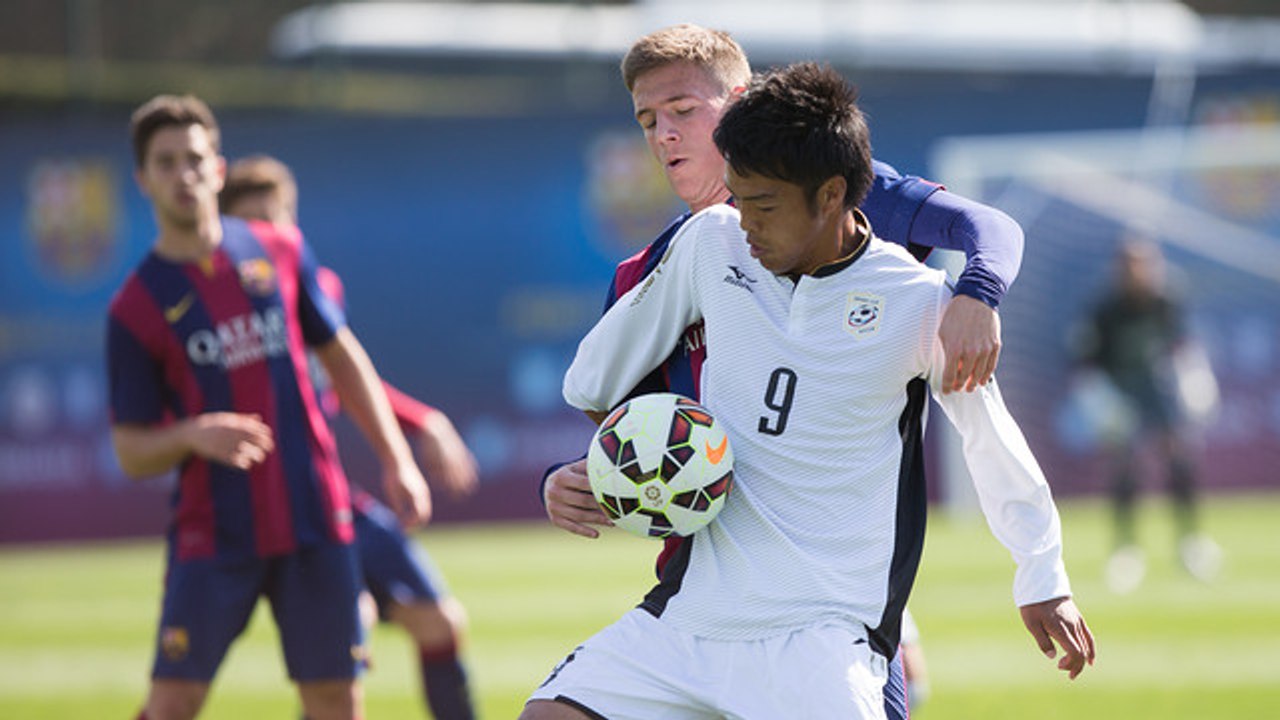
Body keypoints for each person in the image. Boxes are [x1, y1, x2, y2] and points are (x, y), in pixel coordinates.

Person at [524, 62, 1094, 719]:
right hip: (688, 618)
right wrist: (632, 460)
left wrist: (1042, 575)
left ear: (830, 196)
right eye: (738, 198)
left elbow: (990, 442)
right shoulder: (710, 242)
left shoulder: (916, 303)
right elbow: (592, 381)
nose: (745, 223)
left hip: (826, 633)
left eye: (763, 205)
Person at [107, 94, 429, 720]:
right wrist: (193, 434)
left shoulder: (278, 248)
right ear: (143, 179)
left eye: (195, 159)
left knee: (336, 697)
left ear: (218, 169)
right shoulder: (135, 307)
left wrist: (397, 459)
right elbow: (131, 452)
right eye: (166, 163)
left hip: (315, 515)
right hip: (214, 531)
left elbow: (342, 356)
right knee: (173, 702)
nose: (184, 175)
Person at [219, 155, 479, 719]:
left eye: (279, 219)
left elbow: (343, 375)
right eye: (254, 226)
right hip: (278, 512)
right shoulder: (224, 313)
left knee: (440, 622)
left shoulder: (316, 287)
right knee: (343, 645)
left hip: (334, 497)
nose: (271, 236)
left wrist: (422, 423)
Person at [1075, 237, 1221, 594]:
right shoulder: (1105, 309)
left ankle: (1190, 543)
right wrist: (1099, 399)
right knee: (1125, 466)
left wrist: (1193, 377)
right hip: (1118, 390)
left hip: (1157, 386)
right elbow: (1086, 362)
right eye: (1130, 265)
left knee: (1179, 457)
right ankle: (1125, 550)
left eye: (1145, 264)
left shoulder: (1166, 300)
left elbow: (1182, 344)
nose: (1138, 272)